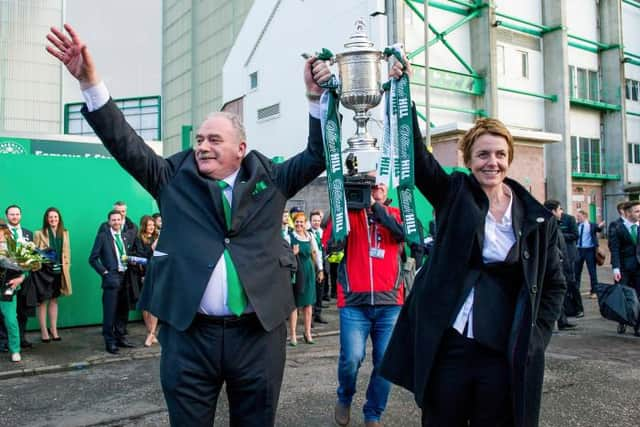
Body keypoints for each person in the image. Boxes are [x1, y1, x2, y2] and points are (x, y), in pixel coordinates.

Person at [46, 23, 329, 426]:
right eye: (199, 138)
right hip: (189, 336)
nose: (202, 145)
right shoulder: (171, 177)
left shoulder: (274, 179)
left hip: (258, 335)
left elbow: (317, 155)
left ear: (240, 149)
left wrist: (315, 98)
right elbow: (124, 143)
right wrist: (91, 82)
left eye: (214, 139)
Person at [380, 58, 566, 427]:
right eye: (482, 154)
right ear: (468, 159)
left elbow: (555, 285)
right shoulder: (454, 194)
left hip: (502, 349)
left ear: (509, 159)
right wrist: (403, 95)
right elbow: (417, 157)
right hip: (450, 343)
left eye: (499, 154)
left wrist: (536, 337)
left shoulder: (536, 218)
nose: (491, 163)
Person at [324, 181, 405, 427]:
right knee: (351, 358)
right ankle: (345, 396)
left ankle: (373, 413)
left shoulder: (395, 214)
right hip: (354, 303)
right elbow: (330, 248)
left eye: (380, 183)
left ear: (386, 189)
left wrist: (375, 208)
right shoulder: (346, 215)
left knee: (386, 363)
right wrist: (343, 212)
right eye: (369, 184)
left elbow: (404, 234)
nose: (375, 187)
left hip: (390, 303)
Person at [88, 210, 135, 354]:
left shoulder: (124, 236)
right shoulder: (103, 237)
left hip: (125, 278)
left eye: (118, 219)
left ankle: (120, 338)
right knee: (110, 312)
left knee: (123, 310)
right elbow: (93, 258)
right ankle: (110, 342)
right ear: (109, 222)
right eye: (113, 220)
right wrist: (105, 273)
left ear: (122, 221)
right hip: (111, 278)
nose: (116, 222)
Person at [32, 207, 72, 342]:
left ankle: (54, 330)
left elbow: (67, 252)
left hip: (59, 272)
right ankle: (44, 332)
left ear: (59, 218)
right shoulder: (39, 233)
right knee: (43, 302)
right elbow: (34, 253)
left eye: (55, 217)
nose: (53, 219)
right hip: (44, 273)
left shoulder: (65, 233)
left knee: (54, 300)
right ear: (46, 219)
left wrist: (67, 266)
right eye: (50, 217)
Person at [0, 205, 36, 351]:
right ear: (7, 215)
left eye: (17, 214)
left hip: (24, 278)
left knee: (23, 309)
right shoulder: (3, 233)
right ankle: (4, 340)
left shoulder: (28, 233)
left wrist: (28, 266)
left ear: (21, 215)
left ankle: (21, 338)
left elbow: (31, 257)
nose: (14, 217)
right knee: (6, 312)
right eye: (11, 214)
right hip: (7, 279)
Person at [288, 212, 324, 346]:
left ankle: (307, 333)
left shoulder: (310, 236)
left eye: (301, 222)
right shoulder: (290, 237)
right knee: (295, 305)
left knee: (308, 305)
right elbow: (284, 256)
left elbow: (315, 253)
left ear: (305, 223)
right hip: (296, 272)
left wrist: (320, 269)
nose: (299, 224)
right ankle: (293, 335)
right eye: (296, 221)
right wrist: (293, 253)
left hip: (309, 271)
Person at [608, 200, 640, 336]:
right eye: (637, 211)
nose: (639, 213)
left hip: (639, 268)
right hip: (624, 268)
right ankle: (623, 321)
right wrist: (616, 269)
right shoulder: (617, 227)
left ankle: (637, 326)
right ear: (627, 213)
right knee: (625, 297)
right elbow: (614, 249)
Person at [543, 200, 576, 330]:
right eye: (559, 209)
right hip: (555, 267)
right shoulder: (547, 225)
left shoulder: (556, 225)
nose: (561, 211)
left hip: (562, 265)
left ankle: (562, 320)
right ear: (553, 211)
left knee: (562, 293)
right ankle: (556, 322)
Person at [129, 215, 159, 347]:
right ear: (144, 226)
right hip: (144, 274)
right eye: (149, 225)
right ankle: (150, 332)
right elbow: (141, 256)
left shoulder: (157, 237)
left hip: (157, 274)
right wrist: (151, 248)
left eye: (153, 225)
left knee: (154, 305)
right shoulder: (138, 239)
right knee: (145, 305)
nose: (152, 227)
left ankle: (151, 333)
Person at [0, 223, 26, 362]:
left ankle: (15, 350)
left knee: (11, 320)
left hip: (8, 289)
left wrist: (19, 280)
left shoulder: (13, 250)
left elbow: (25, 270)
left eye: (2, 234)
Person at [575, 209, 604, 299]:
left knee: (592, 271)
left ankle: (594, 291)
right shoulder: (576, 225)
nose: (578, 218)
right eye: (577, 217)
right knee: (576, 271)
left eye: (579, 216)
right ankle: (576, 290)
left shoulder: (592, 225)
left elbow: (598, 229)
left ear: (585, 216)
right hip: (578, 250)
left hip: (589, 250)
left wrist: (601, 226)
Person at [309, 209, 328, 324]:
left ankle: (318, 314)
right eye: (314, 220)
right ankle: (309, 317)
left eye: (318, 220)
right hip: (313, 265)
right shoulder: (307, 233)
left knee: (320, 291)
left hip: (323, 264)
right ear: (310, 221)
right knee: (312, 291)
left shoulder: (323, 232)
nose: (316, 222)